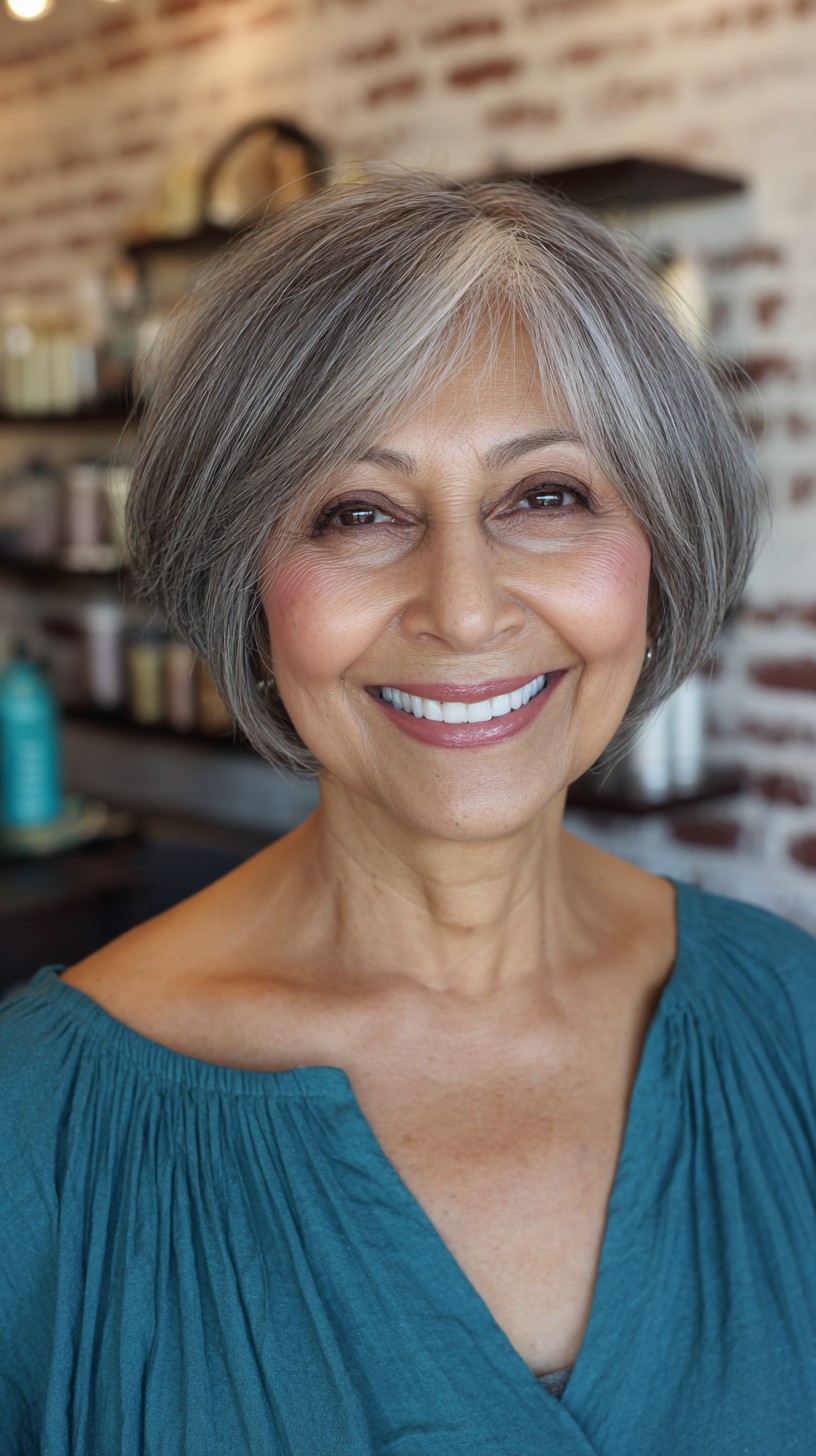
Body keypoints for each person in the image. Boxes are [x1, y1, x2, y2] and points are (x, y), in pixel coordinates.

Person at [1, 167, 814, 1456]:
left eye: (546, 496)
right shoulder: (35, 1133)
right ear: (247, 584)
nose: (466, 608)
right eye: (358, 512)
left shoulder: (794, 1022)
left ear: (658, 549)